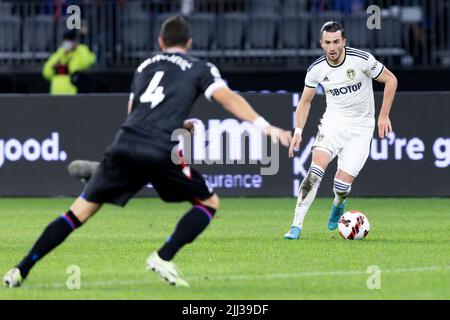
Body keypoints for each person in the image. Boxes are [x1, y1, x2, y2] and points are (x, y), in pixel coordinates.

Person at [4, 15, 291, 288]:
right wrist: (267, 127)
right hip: (158, 148)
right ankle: (163, 256)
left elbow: (134, 112)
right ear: (189, 42)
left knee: (76, 214)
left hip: (124, 142)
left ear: (160, 41)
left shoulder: (145, 66)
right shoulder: (199, 67)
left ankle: (20, 269)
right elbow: (226, 98)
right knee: (209, 203)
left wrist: (176, 122)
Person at [284, 21, 398, 240]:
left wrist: (383, 115)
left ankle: (339, 202)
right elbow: (305, 102)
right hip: (333, 124)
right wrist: (298, 131)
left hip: (361, 129)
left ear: (344, 41)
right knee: (314, 172)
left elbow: (391, 80)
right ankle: (295, 226)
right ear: (321, 44)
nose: (332, 47)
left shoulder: (361, 60)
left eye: (336, 42)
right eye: (327, 43)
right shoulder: (316, 69)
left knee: (341, 185)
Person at [42, 30, 96, 95]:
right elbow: (46, 73)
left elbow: (88, 62)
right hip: (56, 93)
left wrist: (79, 48)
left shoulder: (81, 51)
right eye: (66, 40)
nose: (67, 43)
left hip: (73, 93)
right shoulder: (59, 53)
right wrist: (55, 65)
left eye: (70, 40)